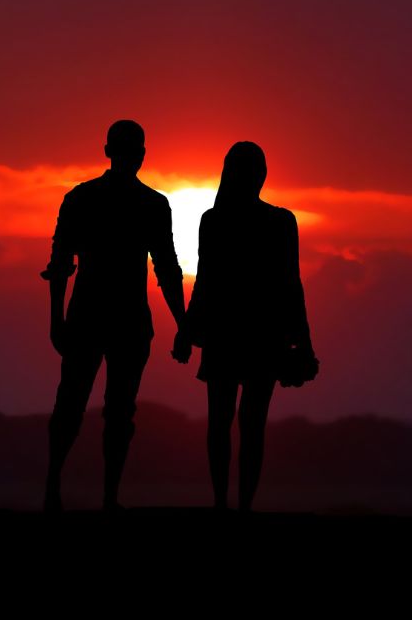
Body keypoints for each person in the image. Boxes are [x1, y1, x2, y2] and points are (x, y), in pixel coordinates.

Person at [40, 119, 193, 513]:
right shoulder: (148, 205)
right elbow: (167, 270)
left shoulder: (83, 199)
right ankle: (95, 494)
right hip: (117, 320)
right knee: (106, 409)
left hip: (99, 318)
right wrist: (183, 325)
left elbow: (61, 265)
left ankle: (67, 490)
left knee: (83, 405)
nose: (131, 157)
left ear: (109, 151)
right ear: (138, 154)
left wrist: (57, 321)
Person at [184, 141, 316, 512]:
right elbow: (292, 285)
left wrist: (188, 331)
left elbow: (206, 282)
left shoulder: (215, 220)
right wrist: (303, 343)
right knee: (249, 425)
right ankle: (239, 507)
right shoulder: (278, 221)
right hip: (259, 335)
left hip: (229, 334)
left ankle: (223, 505)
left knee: (222, 423)